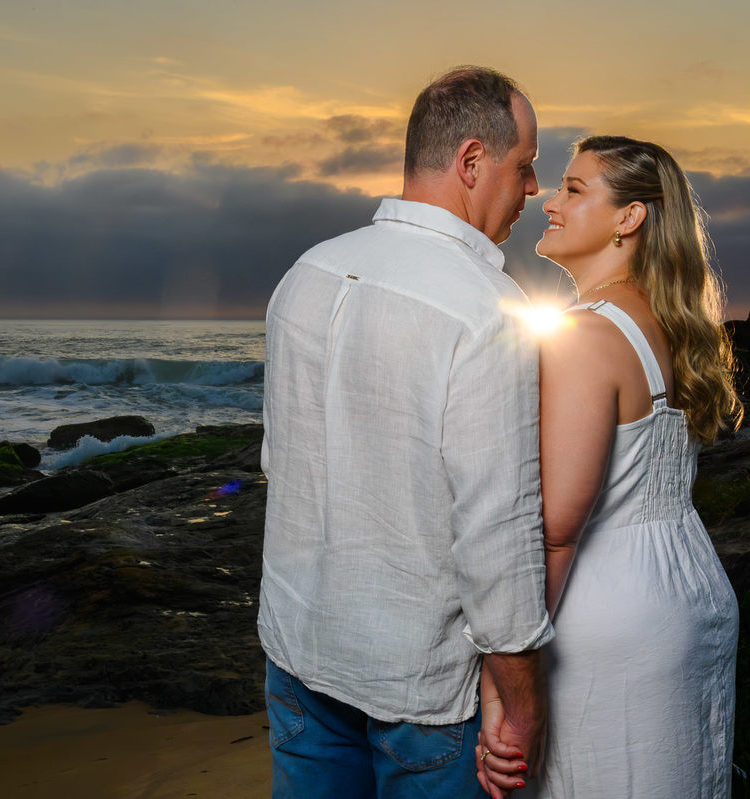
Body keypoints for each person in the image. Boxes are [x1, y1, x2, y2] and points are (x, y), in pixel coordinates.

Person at [258, 66, 554, 799]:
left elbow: (279, 461)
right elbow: (497, 538)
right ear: (473, 162)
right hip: (418, 691)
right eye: (524, 168)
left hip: (297, 652)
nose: (533, 189)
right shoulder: (488, 311)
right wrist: (522, 705)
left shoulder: (305, 272)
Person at [477, 136, 743, 798]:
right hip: (691, 589)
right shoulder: (668, 324)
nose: (550, 201)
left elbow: (557, 529)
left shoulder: (588, 335)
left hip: (610, 617)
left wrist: (504, 680)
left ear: (630, 218)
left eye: (574, 189)